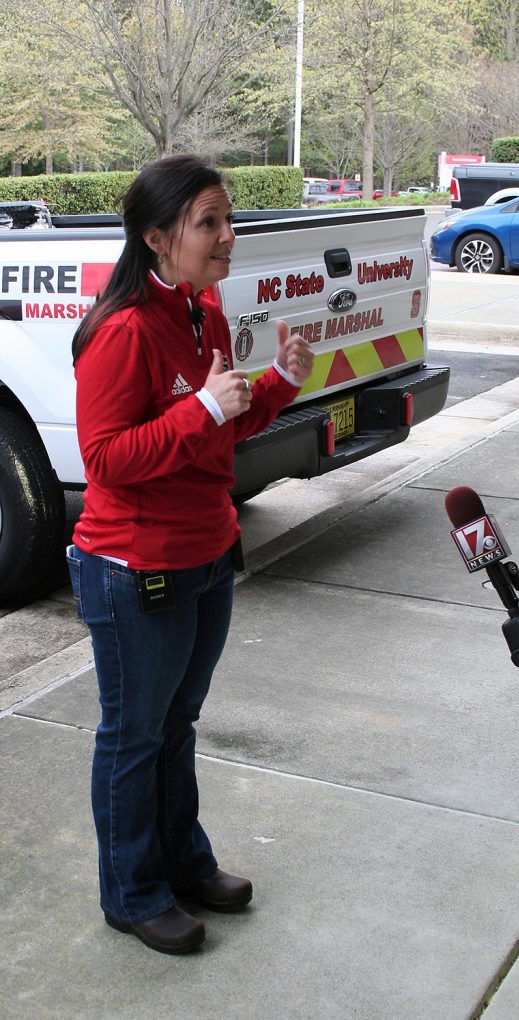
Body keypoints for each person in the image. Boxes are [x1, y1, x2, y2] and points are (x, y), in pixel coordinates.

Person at [67, 154, 313, 956]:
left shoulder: (201, 308)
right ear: (157, 237)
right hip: (136, 569)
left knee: (177, 725)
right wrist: (203, 404)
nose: (227, 237)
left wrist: (274, 382)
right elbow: (104, 461)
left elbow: (215, 434)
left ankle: (183, 864)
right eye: (209, 222)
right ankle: (132, 894)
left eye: (227, 219)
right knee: (135, 735)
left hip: (207, 552)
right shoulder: (123, 330)